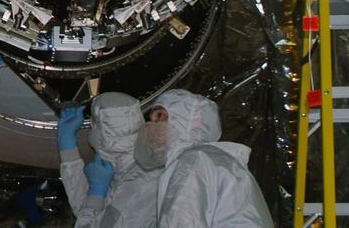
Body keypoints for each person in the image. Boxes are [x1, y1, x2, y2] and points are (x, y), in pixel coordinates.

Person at [137, 90, 272, 228]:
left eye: (160, 116)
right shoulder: (214, 159)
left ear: (190, 121)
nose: (152, 125)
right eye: (152, 119)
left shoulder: (194, 161)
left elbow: (182, 222)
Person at [58, 93, 160, 227]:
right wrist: (67, 144)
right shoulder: (130, 167)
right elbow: (88, 211)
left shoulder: (142, 187)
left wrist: (97, 191)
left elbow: (91, 221)